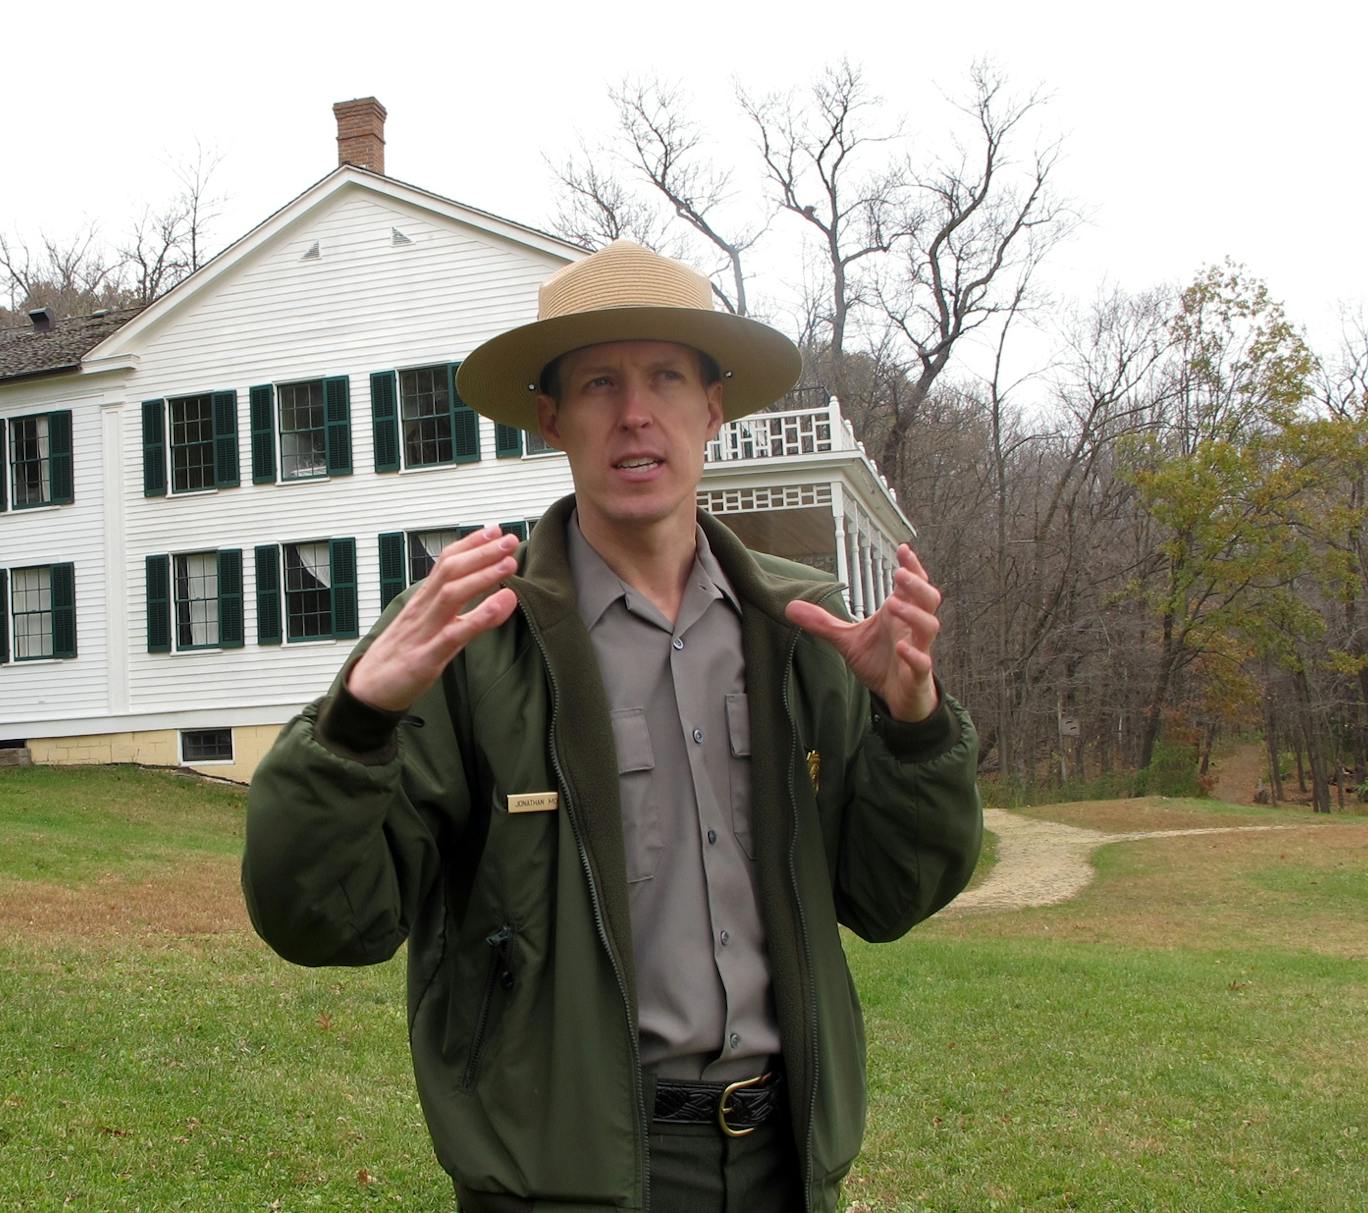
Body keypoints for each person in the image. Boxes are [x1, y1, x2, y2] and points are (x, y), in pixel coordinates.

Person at [242, 239, 982, 1212]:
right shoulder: (474, 642)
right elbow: (320, 918)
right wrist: (354, 724)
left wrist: (913, 724)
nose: (635, 413)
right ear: (550, 417)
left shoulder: (805, 630)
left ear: (713, 405)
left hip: (784, 1170)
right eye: (598, 383)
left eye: (666, 377)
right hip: (565, 1182)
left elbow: (890, 894)